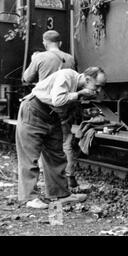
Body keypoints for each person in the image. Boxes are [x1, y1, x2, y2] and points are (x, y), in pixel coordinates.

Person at [16, 67, 107, 209]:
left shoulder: (79, 86)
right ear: (87, 79)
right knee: (30, 156)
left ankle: (60, 194)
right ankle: (29, 198)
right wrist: (79, 94)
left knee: (56, 156)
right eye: (97, 86)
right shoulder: (67, 75)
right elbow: (58, 100)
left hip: (52, 116)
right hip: (33, 110)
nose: (99, 91)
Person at [22, 30, 78, 188]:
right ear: (60, 43)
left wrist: (33, 60)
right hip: (64, 106)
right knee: (66, 141)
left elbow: (27, 78)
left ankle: (44, 181)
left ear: (45, 43)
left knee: (43, 144)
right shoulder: (70, 58)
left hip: (45, 107)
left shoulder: (40, 57)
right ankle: (69, 176)